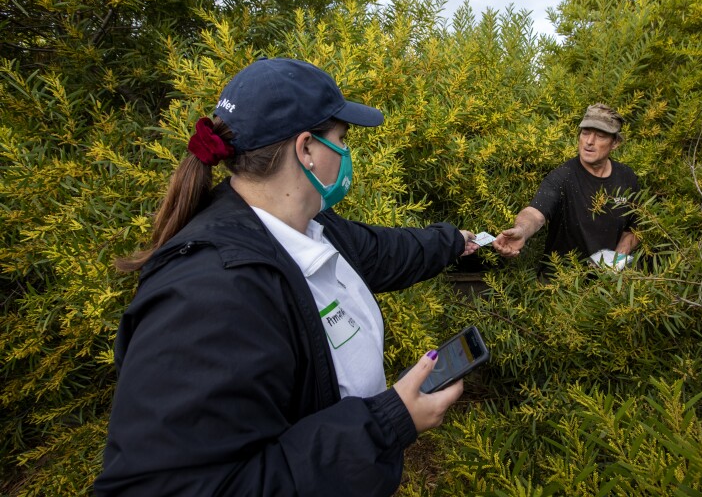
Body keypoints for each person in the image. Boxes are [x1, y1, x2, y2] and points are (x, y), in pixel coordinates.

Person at [94, 58, 479, 496]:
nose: (348, 153)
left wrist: (457, 240)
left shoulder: (312, 227)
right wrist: (387, 424)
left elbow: (385, 252)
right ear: (307, 150)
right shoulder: (211, 294)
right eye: (342, 139)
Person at [493, 103, 639, 270]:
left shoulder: (627, 177)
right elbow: (535, 213)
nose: (589, 142)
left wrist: (615, 260)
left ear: (615, 143)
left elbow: (635, 228)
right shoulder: (562, 177)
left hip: (607, 288)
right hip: (561, 285)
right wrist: (521, 231)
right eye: (585, 133)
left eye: (600, 136)